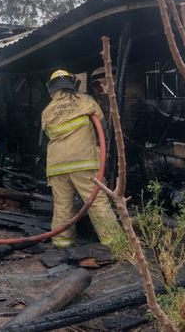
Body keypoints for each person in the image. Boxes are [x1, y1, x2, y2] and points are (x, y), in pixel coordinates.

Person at [41, 69, 123, 249]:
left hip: (56, 165)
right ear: (72, 84)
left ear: (52, 88)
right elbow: (101, 126)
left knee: (62, 205)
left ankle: (62, 244)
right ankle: (116, 245)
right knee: (96, 202)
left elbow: (48, 135)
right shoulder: (86, 101)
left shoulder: (47, 111)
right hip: (84, 162)